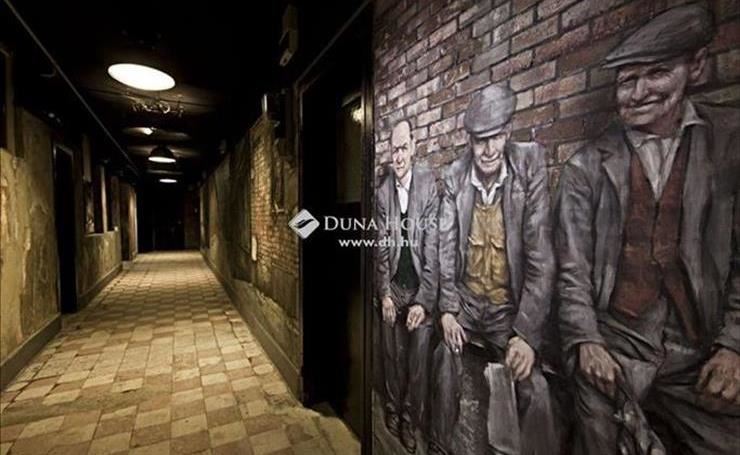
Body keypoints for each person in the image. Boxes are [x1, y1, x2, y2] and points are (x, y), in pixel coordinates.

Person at [555, 4, 740, 454]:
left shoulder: (729, 142)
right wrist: (586, 340)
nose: (638, 93)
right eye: (626, 81)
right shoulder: (585, 166)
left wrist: (733, 345)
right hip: (618, 340)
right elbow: (571, 270)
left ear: (695, 67)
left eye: (656, 73)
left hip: (699, 346)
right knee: (596, 430)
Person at [429, 84, 557, 454]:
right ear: (470, 141)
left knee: (535, 388)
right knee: (443, 360)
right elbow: (445, 249)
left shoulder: (529, 165)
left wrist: (526, 334)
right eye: (480, 140)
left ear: (507, 132)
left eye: (496, 137)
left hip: (506, 312)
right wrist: (448, 310)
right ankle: (438, 446)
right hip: (467, 305)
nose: (488, 150)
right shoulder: (455, 176)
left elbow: (541, 258)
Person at [376, 120, 439, 453]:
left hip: (419, 288)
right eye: (394, 150)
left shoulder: (428, 187)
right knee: (391, 353)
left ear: (414, 147)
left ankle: (410, 419)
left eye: (403, 148)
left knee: (418, 358)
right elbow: (380, 249)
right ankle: (392, 409)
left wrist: (424, 302)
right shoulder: (382, 192)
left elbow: (433, 251)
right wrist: (385, 294)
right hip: (395, 287)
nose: (398, 156)